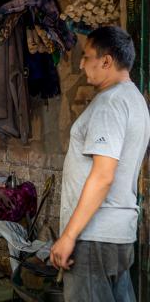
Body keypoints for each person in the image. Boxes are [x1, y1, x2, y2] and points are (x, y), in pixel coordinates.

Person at [50, 26, 150, 302]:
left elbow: (103, 175)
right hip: (117, 235)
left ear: (106, 61)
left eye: (87, 56)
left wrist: (69, 236)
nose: (81, 64)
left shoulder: (110, 103)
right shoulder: (135, 100)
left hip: (94, 236)